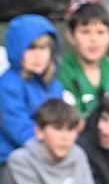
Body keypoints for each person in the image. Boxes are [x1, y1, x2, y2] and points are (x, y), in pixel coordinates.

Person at [0, 14, 64, 165]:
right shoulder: (7, 85)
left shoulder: (54, 83)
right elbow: (18, 128)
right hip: (11, 159)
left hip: (48, 152)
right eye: (31, 48)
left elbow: (62, 119)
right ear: (17, 49)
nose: (38, 55)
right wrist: (52, 145)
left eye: (43, 48)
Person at [58, 3, 109, 118]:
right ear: (71, 36)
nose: (93, 39)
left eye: (100, 32)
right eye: (85, 32)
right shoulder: (61, 70)